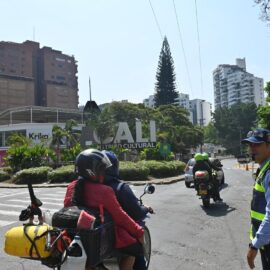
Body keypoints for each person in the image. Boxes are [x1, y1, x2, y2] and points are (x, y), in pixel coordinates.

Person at [64, 149, 144, 270]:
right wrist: (139, 231)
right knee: (133, 252)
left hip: (74, 237)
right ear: (92, 170)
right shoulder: (105, 191)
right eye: (101, 169)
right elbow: (120, 217)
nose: (104, 172)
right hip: (101, 240)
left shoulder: (71, 187)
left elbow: (68, 210)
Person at [102, 150, 153, 270]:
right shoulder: (120, 188)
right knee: (137, 250)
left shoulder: (82, 186)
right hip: (115, 236)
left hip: (97, 236)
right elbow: (136, 213)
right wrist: (145, 208)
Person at [242, 128, 270, 270]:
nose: (252, 148)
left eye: (257, 144)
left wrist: (254, 245)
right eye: (250, 145)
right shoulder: (264, 168)